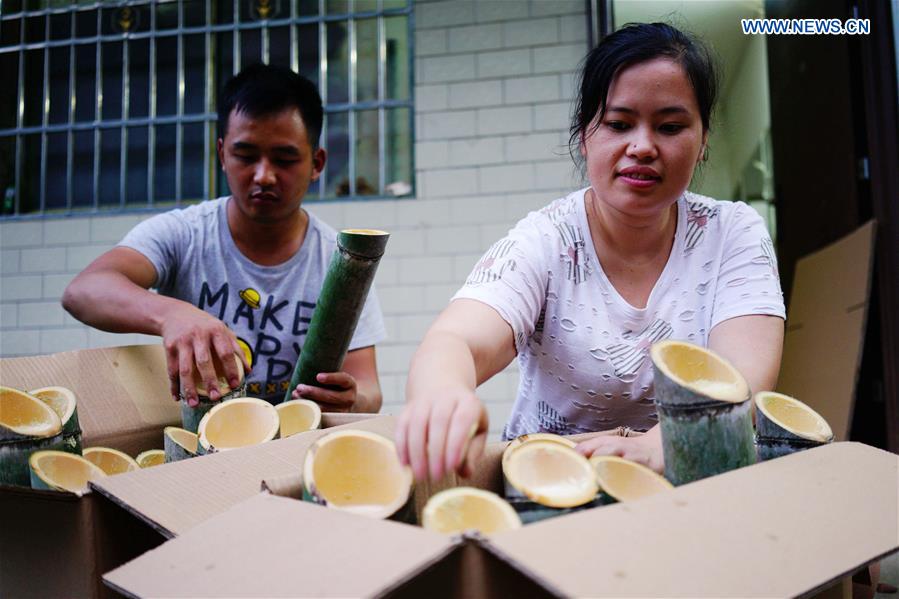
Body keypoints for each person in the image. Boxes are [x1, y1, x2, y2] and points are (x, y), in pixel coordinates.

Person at [395, 22, 785, 481]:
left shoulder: (732, 232)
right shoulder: (546, 240)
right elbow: (456, 340)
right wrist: (443, 393)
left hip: (690, 484)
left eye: (670, 126)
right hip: (551, 488)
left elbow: (743, 377)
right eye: (619, 124)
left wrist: (658, 444)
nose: (641, 146)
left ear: (703, 141)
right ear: (585, 136)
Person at [62, 64, 386, 413]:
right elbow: (84, 290)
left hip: (293, 447)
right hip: (200, 443)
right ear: (222, 154)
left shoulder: (337, 262)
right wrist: (171, 314)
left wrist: (352, 398)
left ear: (317, 163)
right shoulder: (185, 233)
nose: (264, 176)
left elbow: (369, 389)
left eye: (285, 158)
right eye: (246, 156)